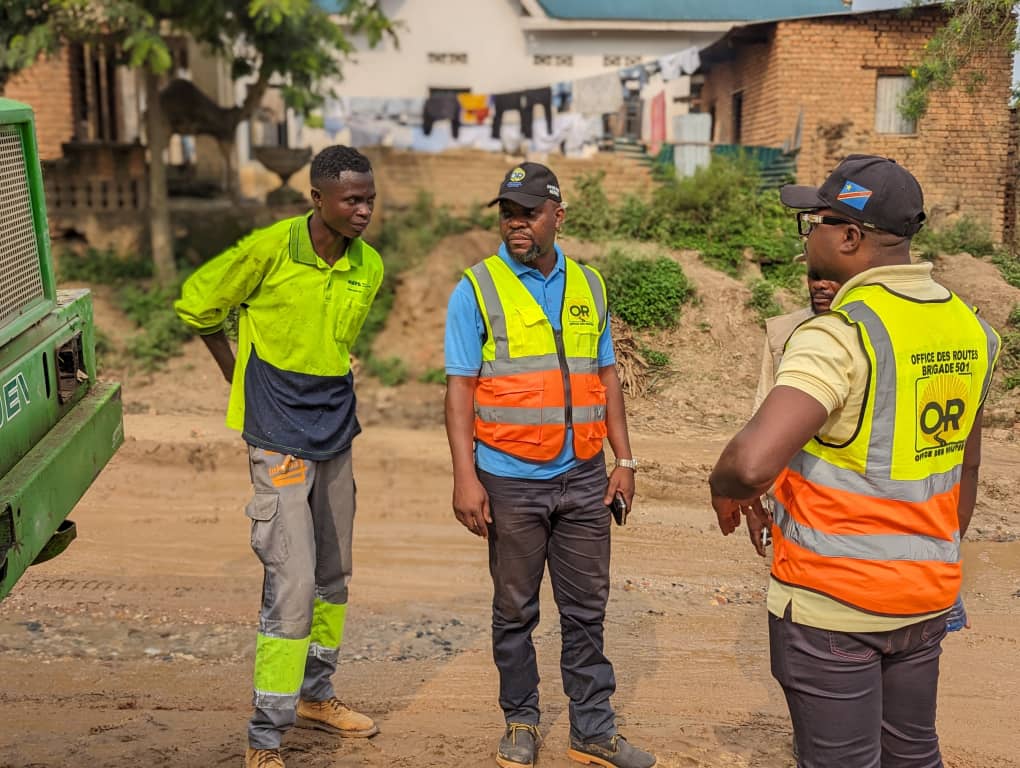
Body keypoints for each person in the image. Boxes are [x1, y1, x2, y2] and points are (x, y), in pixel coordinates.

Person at [708, 155, 1000, 767]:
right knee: (913, 756)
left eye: (813, 220)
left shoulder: (840, 333)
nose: (806, 235)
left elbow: (755, 461)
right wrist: (924, 562)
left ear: (849, 235)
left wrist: (724, 483)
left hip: (832, 609)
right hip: (926, 601)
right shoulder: (969, 328)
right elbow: (967, 469)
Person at [174, 145, 383, 768]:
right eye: (352, 199)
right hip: (279, 438)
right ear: (317, 199)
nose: (364, 210)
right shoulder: (269, 249)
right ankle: (265, 735)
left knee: (334, 576)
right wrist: (236, 374)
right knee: (290, 584)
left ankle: (317, 695)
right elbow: (198, 305)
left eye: (370, 198)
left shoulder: (368, 266)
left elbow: (337, 344)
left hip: (336, 432)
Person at [443, 162, 656, 768]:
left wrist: (626, 459)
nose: (515, 222)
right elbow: (459, 389)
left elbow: (606, 375)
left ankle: (592, 729)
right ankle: (521, 720)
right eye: (508, 211)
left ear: (557, 216)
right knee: (515, 609)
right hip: (510, 480)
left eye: (528, 211)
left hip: (587, 476)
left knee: (587, 608)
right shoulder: (476, 289)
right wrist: (465, 477)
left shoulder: (589, 284)